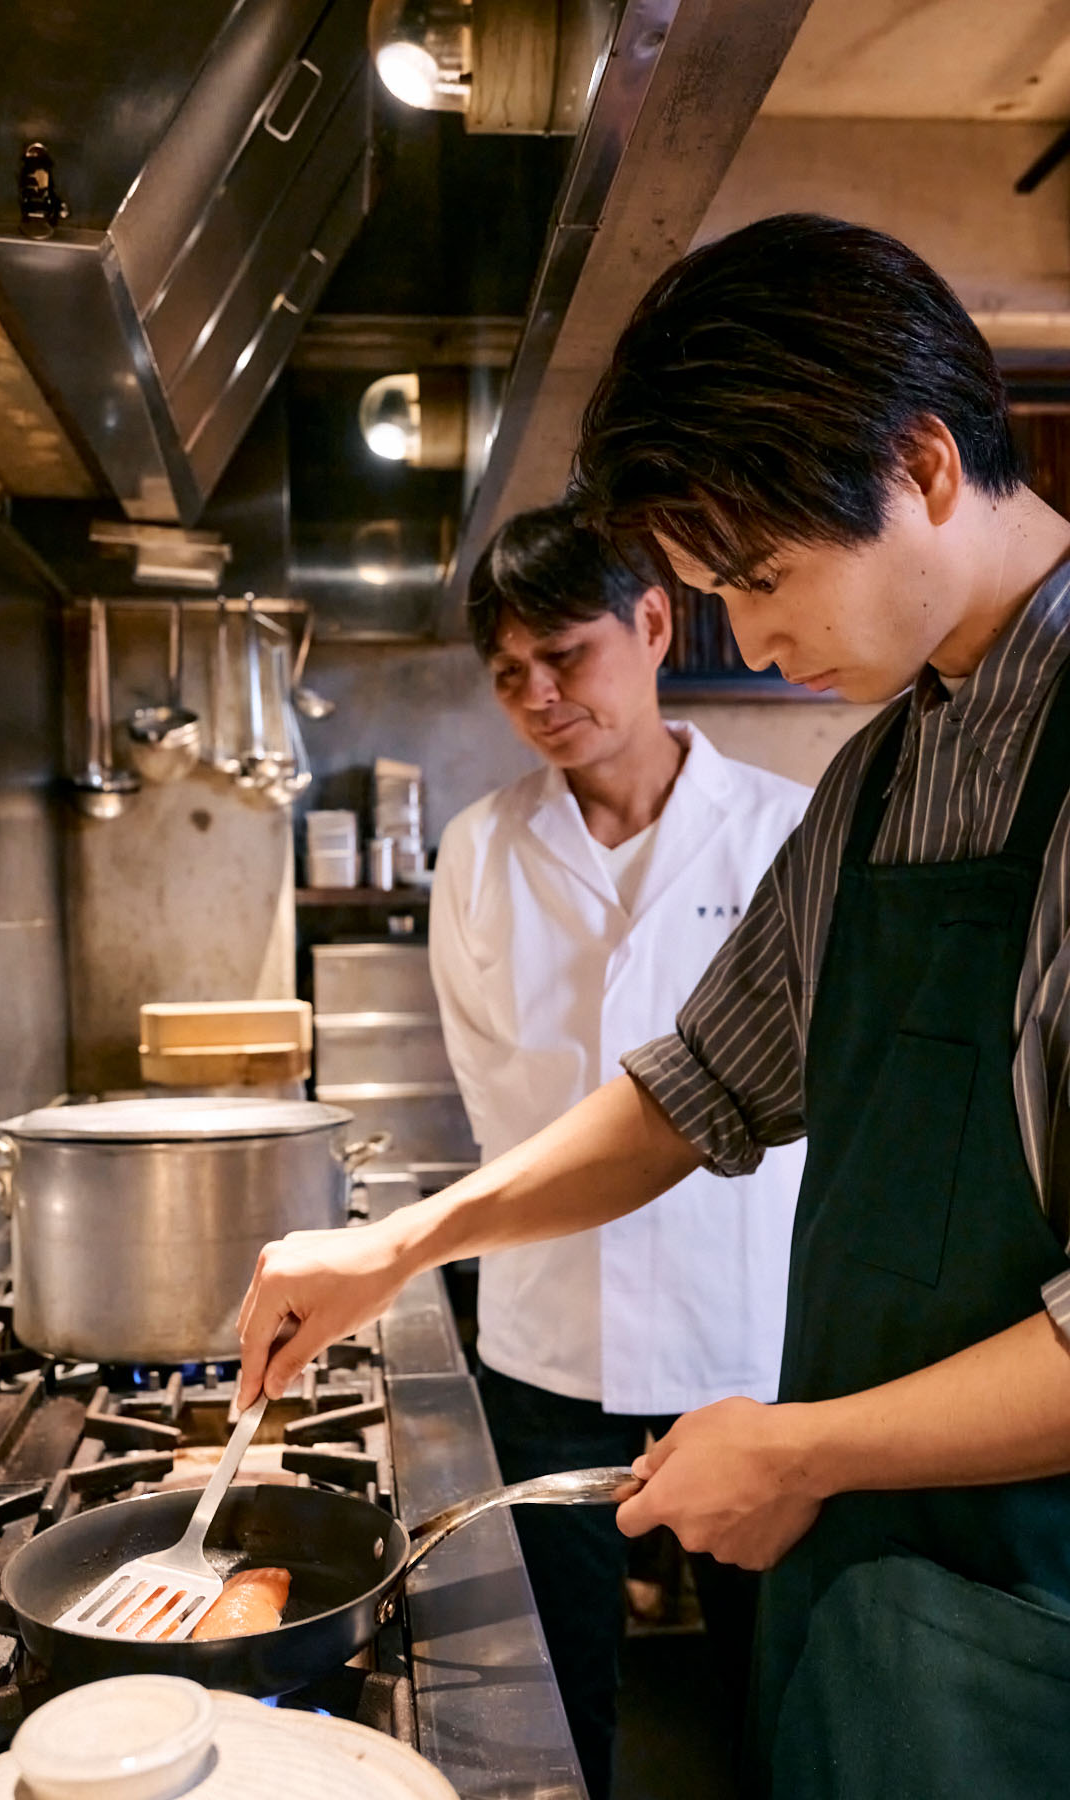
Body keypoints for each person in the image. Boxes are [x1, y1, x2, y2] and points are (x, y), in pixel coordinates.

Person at [237, 213, 1070, 1799]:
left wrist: (811, 1446)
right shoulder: (886, 774)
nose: (749, 639)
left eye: (761, 577)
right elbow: (701, 1086)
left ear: (926, 468)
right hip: (881, 1601)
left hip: (1038, 1614)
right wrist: (404, 1244)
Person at [428, 503, 809, 1798]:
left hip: (745, 1327)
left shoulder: (788, 834)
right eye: (508, 674)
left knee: (768, 1678)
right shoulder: (479, 852)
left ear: (654, 624)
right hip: (551, 1338)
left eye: (566, 654)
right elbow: (495, 1108)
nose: (538, 695)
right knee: (548, 1681)